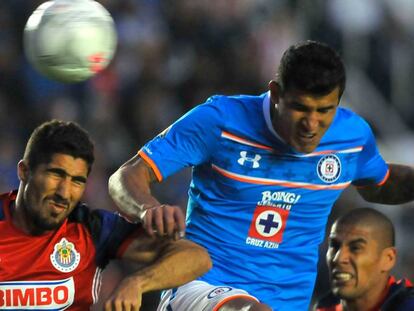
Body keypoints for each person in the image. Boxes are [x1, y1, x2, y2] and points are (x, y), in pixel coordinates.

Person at [108, 40, 414, 310]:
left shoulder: (352, 137)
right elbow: (127, 177)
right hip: (199, 286)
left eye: (325, 110)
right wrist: (148, 208)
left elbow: (380, 185)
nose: (312, 124)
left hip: (289, 301)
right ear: (276, 92)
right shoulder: (220, 120)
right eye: (300, 108)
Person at [0, 119, 211, 311]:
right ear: (24, 171)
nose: (64, 193)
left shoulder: (90, 228)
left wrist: (137, 282)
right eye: (56, 174)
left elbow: (197, 258)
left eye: (77, 181)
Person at [314, 207, 414, 311]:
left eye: (355, 248)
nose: (338, 258)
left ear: (388, 259)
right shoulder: (324, 307)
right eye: (334, 246)